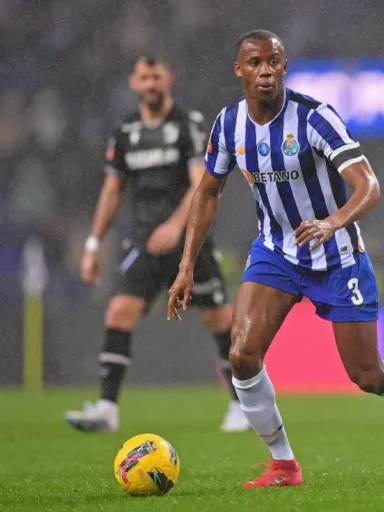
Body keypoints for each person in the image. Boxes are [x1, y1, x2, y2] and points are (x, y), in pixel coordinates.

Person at [167, 30, 384, 488]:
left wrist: (332, 222)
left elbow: (370, 186)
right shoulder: (228, 125)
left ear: (285, 67)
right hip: (276, 253)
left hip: (337, 256)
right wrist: (185, 265)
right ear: (239, 70)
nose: (265, 70)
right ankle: (284, 464)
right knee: (242, 355)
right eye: (255, 62)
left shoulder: (315, 118)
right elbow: (207, 192)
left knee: (367, 374)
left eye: (273, 62)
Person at [65, 55, 249, 433]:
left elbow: (203, 183)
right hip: (143, 241)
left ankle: (241, 406)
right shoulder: (125, 133)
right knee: (118, 312)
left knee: (219, 320)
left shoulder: (189, 125)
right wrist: (93, 245)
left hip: (189, 243)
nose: (151, 84)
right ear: (134, 83)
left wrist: (174, 226)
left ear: (170, 79)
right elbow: (111, 191)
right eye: (144, 77)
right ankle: (107, 409)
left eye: (157, 77)